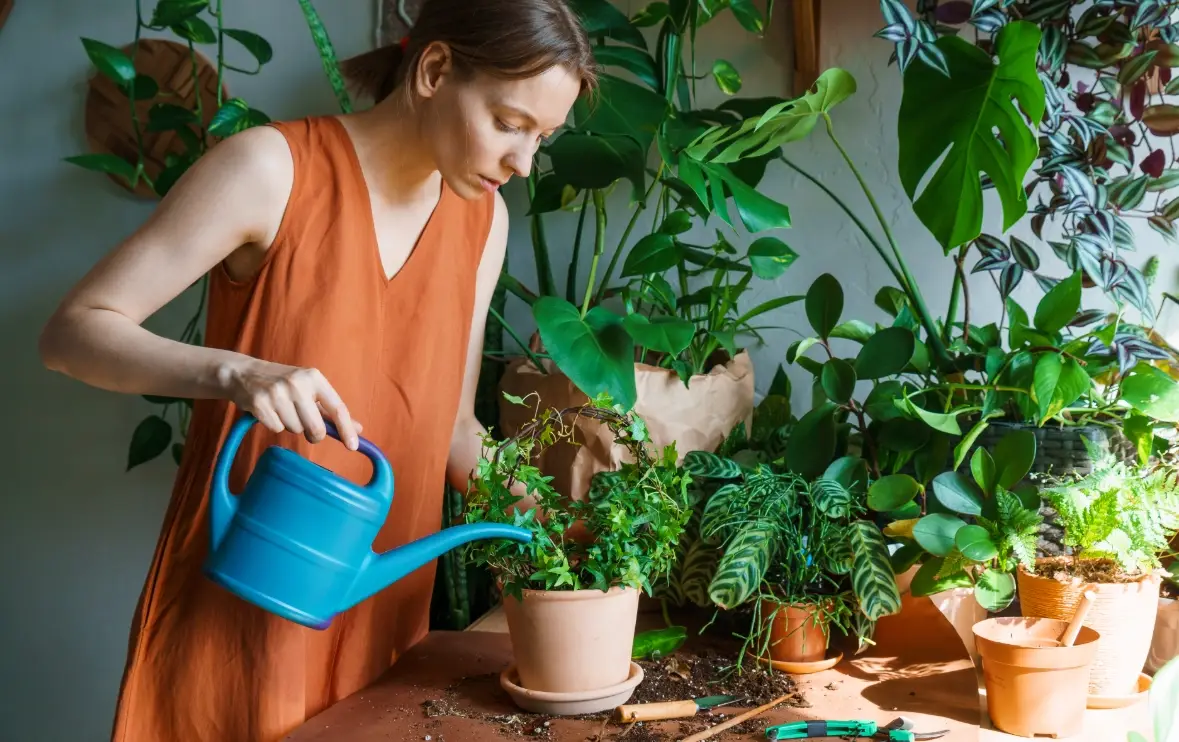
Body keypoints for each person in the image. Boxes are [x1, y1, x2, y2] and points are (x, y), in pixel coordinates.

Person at [38, 0, 596, 739]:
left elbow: (453, 428)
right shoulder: (269, 169)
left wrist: (563, 525)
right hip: (247, 611)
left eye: (541, 138)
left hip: (381, 619)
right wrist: (238, 373)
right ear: (432, 70)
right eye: (508, 123)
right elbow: (73, 333)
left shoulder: (481, 220)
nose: (522, 163)